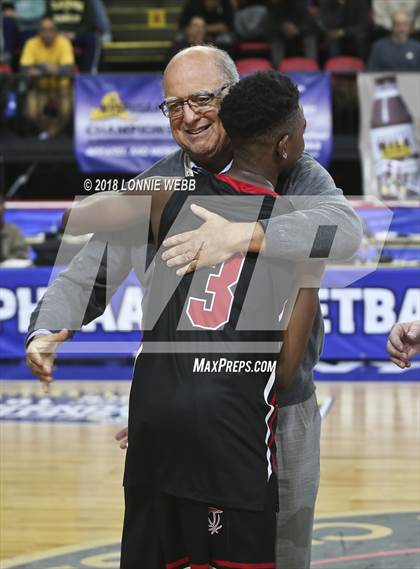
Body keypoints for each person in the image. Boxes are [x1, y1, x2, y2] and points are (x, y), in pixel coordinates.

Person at [26, 46, 362, 569]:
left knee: (282, 552)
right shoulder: (160, 183)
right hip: (187, 410)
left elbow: (347, 231)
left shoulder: (291, 168)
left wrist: (244, 235)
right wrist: (48, 328)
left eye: (202, 99)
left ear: (233, 96)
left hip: (277, 407)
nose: (188, 116)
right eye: (173, 106)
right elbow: (91, 264)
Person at [20, 17, 74, 137]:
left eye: (51, 29)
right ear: (39, 32)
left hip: (61, 88)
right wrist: (48, 68)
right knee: (30, 112)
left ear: (56, 31)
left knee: (67, 110)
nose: (47, 33)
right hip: (39, 89)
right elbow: (24, 69)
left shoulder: (64, 42)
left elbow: (67, 69)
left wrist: (39, 69)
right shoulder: (31, 43)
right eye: (44, 30)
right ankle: (50, 131)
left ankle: (49, 133)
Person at [46, 0, 99, 72]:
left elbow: (89, 21)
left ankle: (87, 73)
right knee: (44, 36)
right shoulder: (49, 1)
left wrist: (75, 34)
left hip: (78, 34)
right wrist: (58, 33)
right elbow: (47, 19)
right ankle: (48, 71)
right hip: (56, 35)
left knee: (91, 38)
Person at [267, 0, 318, 68]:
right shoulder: (272, 8)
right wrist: (283, 28)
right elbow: (270, 27)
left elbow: (310, 25)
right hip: (280, 34)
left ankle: (311, 65)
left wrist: (296, 30)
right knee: (275, 38)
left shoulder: (300, 5)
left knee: (310, 36)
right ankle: (277, 68)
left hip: (300, 34)